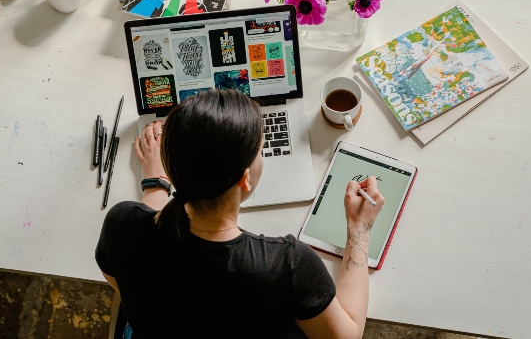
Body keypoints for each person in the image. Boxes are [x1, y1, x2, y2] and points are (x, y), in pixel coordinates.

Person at [95, 89, 384, 338]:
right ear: (245, 179)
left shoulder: (121, 224)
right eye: (260, 150)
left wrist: (156, 183)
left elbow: (121, 280)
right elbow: (345, 335)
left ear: (172, 167)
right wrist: (359, 230)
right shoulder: (286, 265)